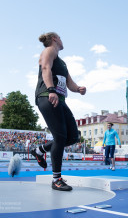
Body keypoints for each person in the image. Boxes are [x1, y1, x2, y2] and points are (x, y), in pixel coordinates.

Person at [31, 32, 86, 191]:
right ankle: (56, 179)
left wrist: (78, 89)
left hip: (60, 99)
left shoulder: (62, 62)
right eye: (60, 37)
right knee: (60, 137)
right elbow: (46, 68)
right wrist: (51, 90)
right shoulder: (49, 51)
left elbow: (69, 82)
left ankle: (39, 150)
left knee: (72, 137)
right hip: (48, 96)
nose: (62, 40)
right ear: (55, 39)